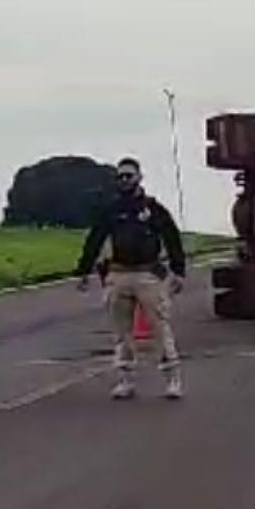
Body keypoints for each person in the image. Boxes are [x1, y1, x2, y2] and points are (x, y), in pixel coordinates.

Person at [75, 157, 187, 399]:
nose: (125, 180)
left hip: (148, 274)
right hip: (119, 273)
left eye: (129, 175)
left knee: (159, 327)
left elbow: (171, 237)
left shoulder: (153, 209)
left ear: (139, 178)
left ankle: (172, 378)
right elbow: (95, 239)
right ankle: (126, 379)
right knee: (121, 332)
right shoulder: (111, 210)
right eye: (121, 176)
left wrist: (179, 271)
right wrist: (83, 270)